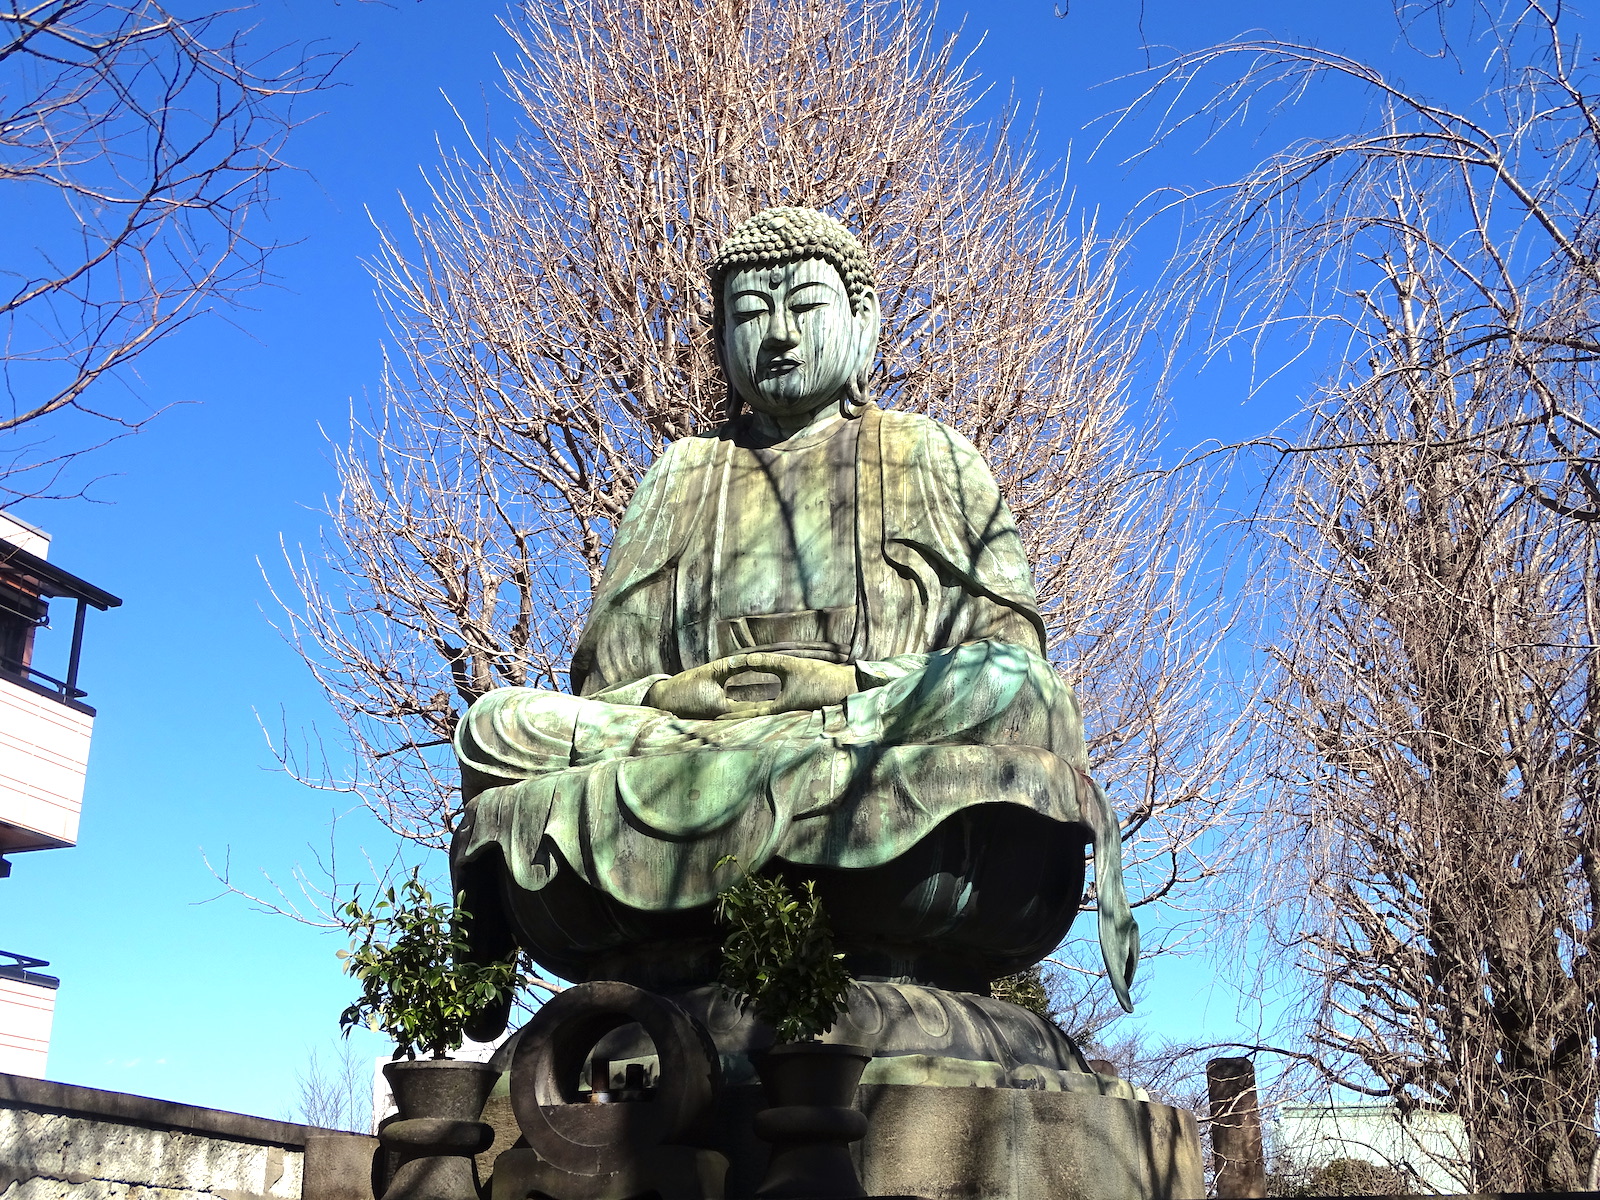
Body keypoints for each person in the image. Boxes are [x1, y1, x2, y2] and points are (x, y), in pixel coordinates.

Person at [451, 208, 1136, 1039]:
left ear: (863, 321)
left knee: (1017, 692)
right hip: (689, 736)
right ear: (722, 336)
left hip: (865, 726)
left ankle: (807, 755)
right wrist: (681, 694)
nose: (777, 336)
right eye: (748, 314)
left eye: (804, 307)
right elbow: (607, 681)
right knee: (495, 725)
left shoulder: (929, 454)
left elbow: (1005, 656)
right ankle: (766, 775)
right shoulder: (683, 474)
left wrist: (843, 688)